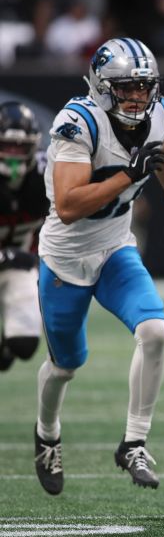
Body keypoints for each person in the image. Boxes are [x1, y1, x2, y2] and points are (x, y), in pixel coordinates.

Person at [35, 38, 164, 495]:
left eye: (144, 87)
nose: (138, 97)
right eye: (127, 88)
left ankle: (134, 443)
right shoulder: (78, 123)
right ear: (102, 87)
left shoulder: (159, 114)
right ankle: (47, 434)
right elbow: (68, 206)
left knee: (155, 331)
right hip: (66, 258)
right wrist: (128, 174)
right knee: (65, 366)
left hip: (115, 247)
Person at [0, 102, 49, 372]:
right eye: (8, 146)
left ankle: (6, 346)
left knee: (24, 344)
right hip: (14, 258)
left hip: (18, 264)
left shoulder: (45, 176)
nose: (14, 155)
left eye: (21, 147)